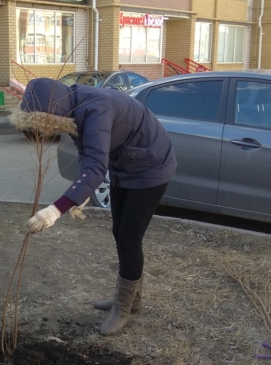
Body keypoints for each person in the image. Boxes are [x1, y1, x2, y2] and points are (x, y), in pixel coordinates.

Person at [11, 77, 176, 336]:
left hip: (151, 168)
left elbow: (97, 166)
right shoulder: (72, 106)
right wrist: (82, 190)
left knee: (130, 238)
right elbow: (87, 153)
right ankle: (132, 299)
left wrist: (56, 209)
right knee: (119, 233)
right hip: (126, 165)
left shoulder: (96, 109)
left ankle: (125, 308)